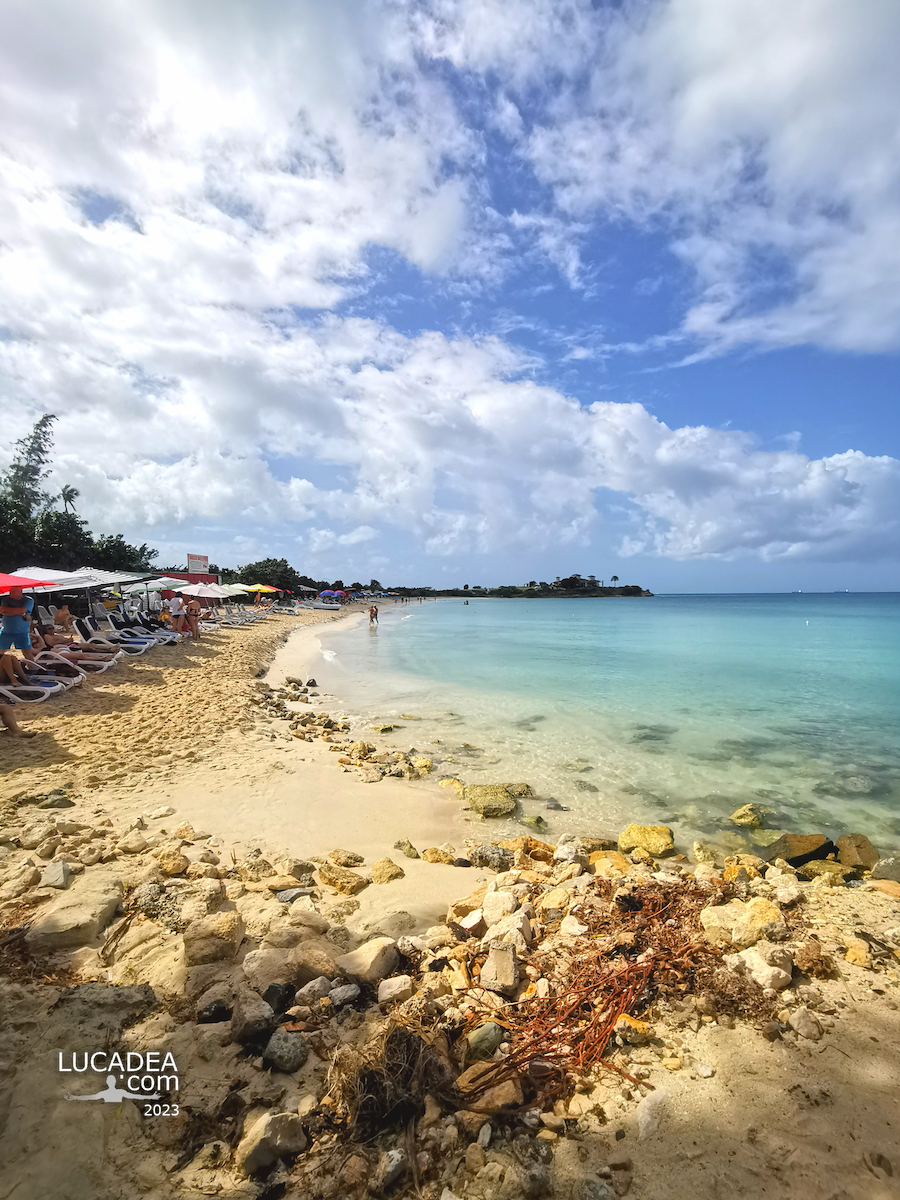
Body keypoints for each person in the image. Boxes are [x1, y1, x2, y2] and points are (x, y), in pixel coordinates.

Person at [0, 587, 35, 661]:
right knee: (1, 652)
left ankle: (33, 669)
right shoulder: (6, 599)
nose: (10, 593)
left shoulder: (28, 600)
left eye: (13, 591)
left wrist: (8, 610)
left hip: (22, 632)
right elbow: (2, 611)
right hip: (6, 631)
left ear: (20, 591)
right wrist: (20, 612)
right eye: (10, 591)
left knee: (27, 653)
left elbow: (22, 610)